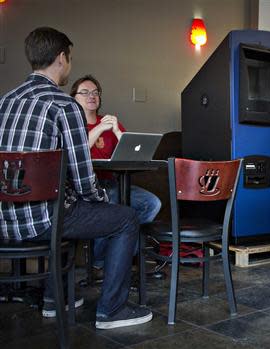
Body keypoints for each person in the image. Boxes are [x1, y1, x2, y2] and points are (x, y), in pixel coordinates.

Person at [0, 27, 152, 329]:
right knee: (124, 218)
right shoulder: (64, 105)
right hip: (45, 220)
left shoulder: (4, 101)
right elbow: (83, 179)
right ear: (61, 58)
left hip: (4, 219)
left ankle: (55, 299)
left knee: (65, 206)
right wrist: (101, 199)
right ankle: (112, 310)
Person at [69, 75, 161, 273]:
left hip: (115, 182)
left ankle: (120, 256)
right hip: (86, 186)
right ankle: (100, 260)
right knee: (110, 201)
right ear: (74, 98)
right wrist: (100, 128)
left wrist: (118, 132)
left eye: (95, 92)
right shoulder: (73, 125)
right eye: (84, 92)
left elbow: (132, 155)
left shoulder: (109, 122)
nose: (91, 96)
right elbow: (78, 152)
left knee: (152, 203)